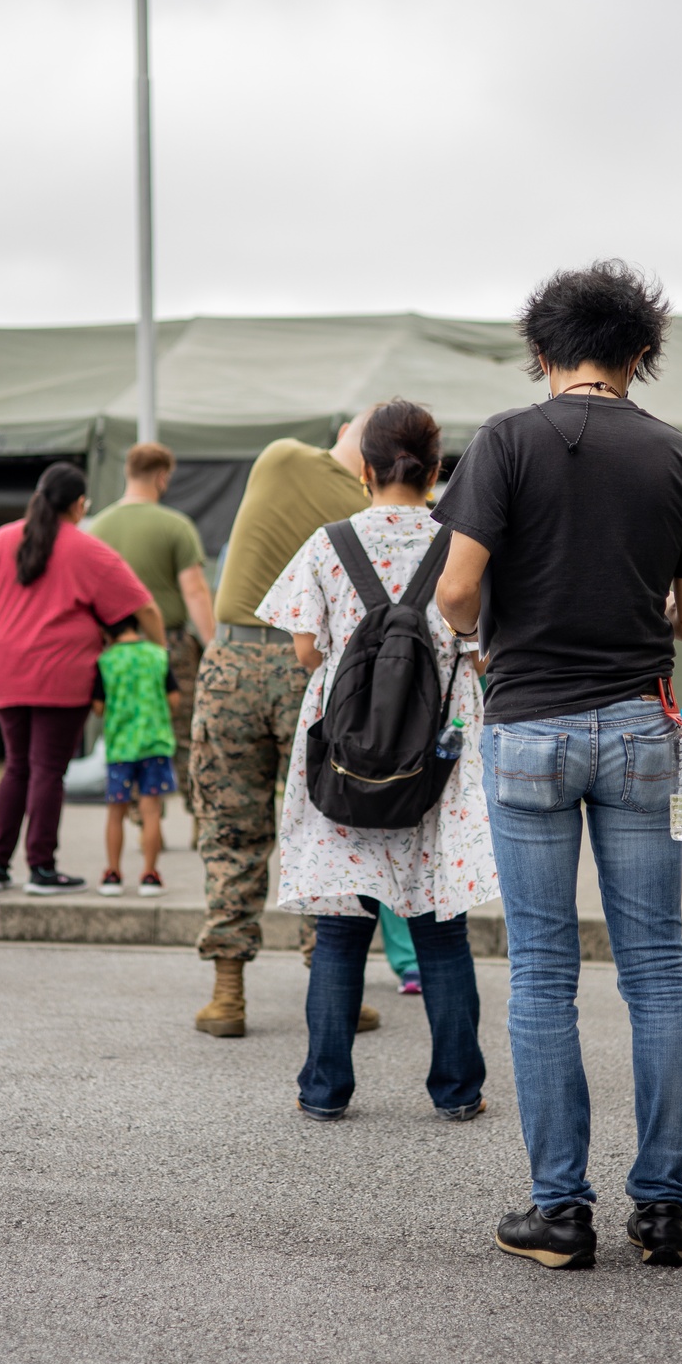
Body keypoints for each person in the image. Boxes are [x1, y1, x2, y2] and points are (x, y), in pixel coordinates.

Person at [434, 261, 682, 1269]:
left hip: (527, 729)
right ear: (640, 354)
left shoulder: (505, 442)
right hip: (648, 731)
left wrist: (491, 638)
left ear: (541, 352)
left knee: (543, 976)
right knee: (656, 969)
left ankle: (559, 1212)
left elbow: (455, 591)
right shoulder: (679, 456)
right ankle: (662, 1208)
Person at [259, 399, 499, 1121]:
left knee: (339, 931)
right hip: (440, 757)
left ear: (364, 467)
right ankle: (457, 1092)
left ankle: (325, 1091)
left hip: (346, 754)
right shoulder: (464, 540)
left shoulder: (329, 543)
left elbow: (306, 647)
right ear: (436, 470)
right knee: (440, 927)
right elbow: (481, 646)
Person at [191, 417, 383, 1038]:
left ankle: (229, 994)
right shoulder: (306, 465)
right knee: (325, 827)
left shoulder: (283, 462)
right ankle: (333, 990)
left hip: (235, 664)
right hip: (310, 669)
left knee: (231, 827)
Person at [0, 462, 165, 895]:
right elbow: (144, 608)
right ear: (78, 505)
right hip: (62, 674)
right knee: (48, 769)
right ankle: (41, 868)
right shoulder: (88, 550)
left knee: (17, 765)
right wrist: (159, 651)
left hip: (5, 672)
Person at [87, 442, 215, 808]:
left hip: (116, 649)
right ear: (162, 477)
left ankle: (141, 813)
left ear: (128, 473)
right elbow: (194, 591)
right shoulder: (176, 526)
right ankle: (197, 814)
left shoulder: (99, 528)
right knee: (187, 733)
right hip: (169, 645)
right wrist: (213, 645)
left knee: (128, 731)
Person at [91, 615, 181, 897]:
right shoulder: (157, 655)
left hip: (120, 746)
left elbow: (97, 706)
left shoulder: (106, 661)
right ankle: (150, 875)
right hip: (154, 743)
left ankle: (113, 874)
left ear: (107, 630)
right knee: (151, 810)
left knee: (116, 811)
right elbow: (174, 700)